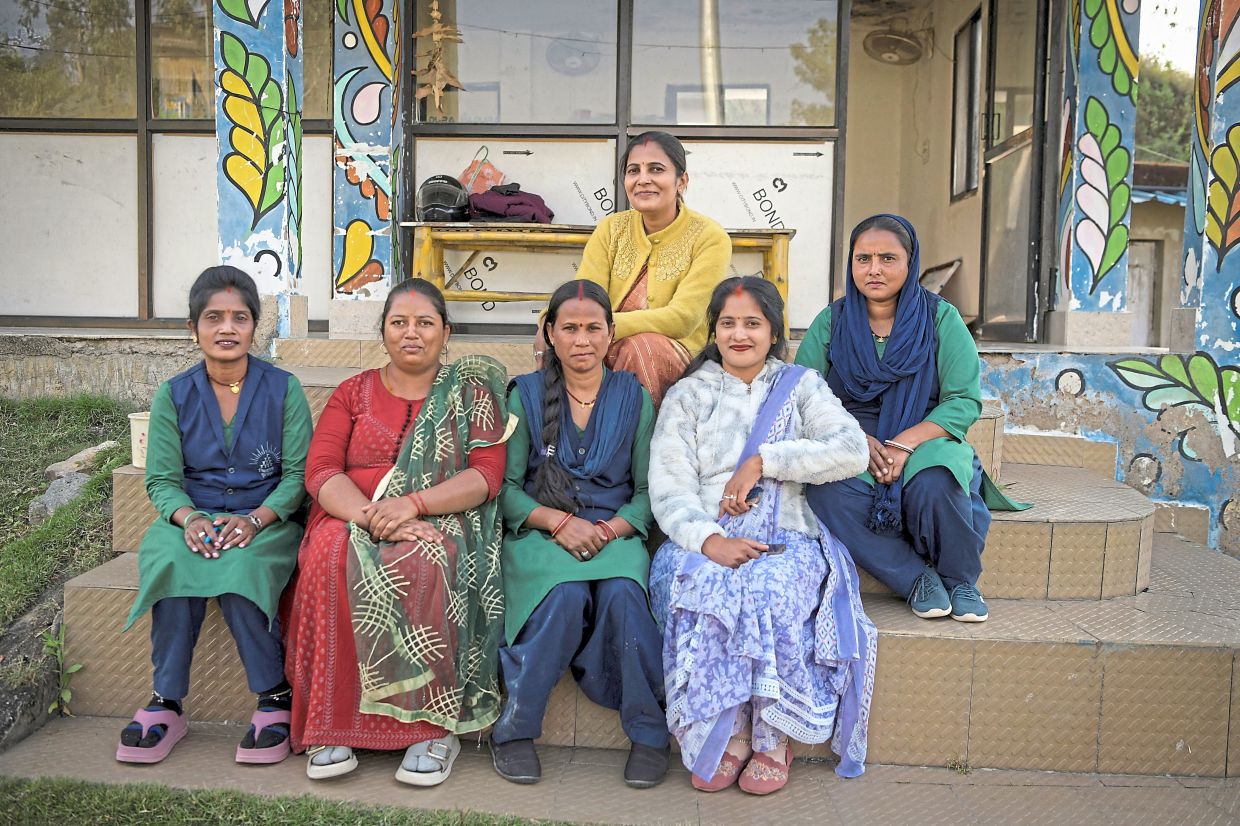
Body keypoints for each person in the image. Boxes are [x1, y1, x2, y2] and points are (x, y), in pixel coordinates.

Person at [648, 276, 876, 795]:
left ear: (774, 332)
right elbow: (668, 485)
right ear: (714, 331)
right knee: (711, 586)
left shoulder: (800, 386)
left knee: (767, 589)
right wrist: (710, 541)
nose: (740, 334)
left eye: (753, 323)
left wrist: (765, 460)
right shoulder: (690, 395)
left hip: (788, 539)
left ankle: (772, 736)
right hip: (703, 539)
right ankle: (728, 731)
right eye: (728, 323)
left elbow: (851, 449)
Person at [282, 279, 511, 786]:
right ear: (383, 331)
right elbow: (320, 471)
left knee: (427, 561)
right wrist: (370, 516)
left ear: (445, 333)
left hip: (440, 518)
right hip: (352, 514)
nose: (412, 333)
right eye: (399, 322)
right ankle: (333, 725)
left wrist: (414, 505)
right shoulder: (352, 392)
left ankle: (432, 729)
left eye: (425, 322)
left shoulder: (470, 395)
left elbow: (485, 476)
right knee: (330, 554)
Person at [117, 266, 311, 766]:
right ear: (193, 327)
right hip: (192, 519)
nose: (227, 328)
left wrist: (255, 520)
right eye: (213, 317)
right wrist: (189, 519)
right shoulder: (173, 395)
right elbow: (161, 480)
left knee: (240, 568)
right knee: (176, 567)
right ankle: (167, 701)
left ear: (255, 327)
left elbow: (296, 477)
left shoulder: (284, 390)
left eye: (239, 318)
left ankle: (274, 696)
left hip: (265, 521)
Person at [798, 214, 1028, 625]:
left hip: (926, 434)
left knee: (937, 481)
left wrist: (905, 443)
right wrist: (853, 438)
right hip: (852, 436)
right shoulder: (831, 322)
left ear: (910, 262)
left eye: (888, 258)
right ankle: (915, 579)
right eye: (863, 258)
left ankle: (959, 581)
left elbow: (962, 400)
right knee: (825, 491)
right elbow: (806, 395)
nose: (874, 269)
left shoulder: (941, 318)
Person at [491, 280, 669, 789]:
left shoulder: (633, 397)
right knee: (565, 597)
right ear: (549, 333)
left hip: (615, 539)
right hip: (543, 537)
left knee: (623, 599)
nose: (582, 339)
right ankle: (516, 727)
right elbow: (504, 489)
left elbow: (648, 489)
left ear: (612, 333)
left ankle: (649, 732)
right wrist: (560, 523)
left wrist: (611, 527)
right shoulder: (524, 395)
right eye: (569, 328)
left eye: (594, 328)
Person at [567, 130, 732, 407]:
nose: (643, 179)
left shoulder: (709, 236)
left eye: (656, 169)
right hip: (601, 344)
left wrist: (606, 327)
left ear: (682, 181)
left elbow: (683, 318)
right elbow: (582, 295)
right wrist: (553, 320)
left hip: (676, 354)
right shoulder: (611, 229)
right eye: (634, 171)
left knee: (641, 348)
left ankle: (647, 446)